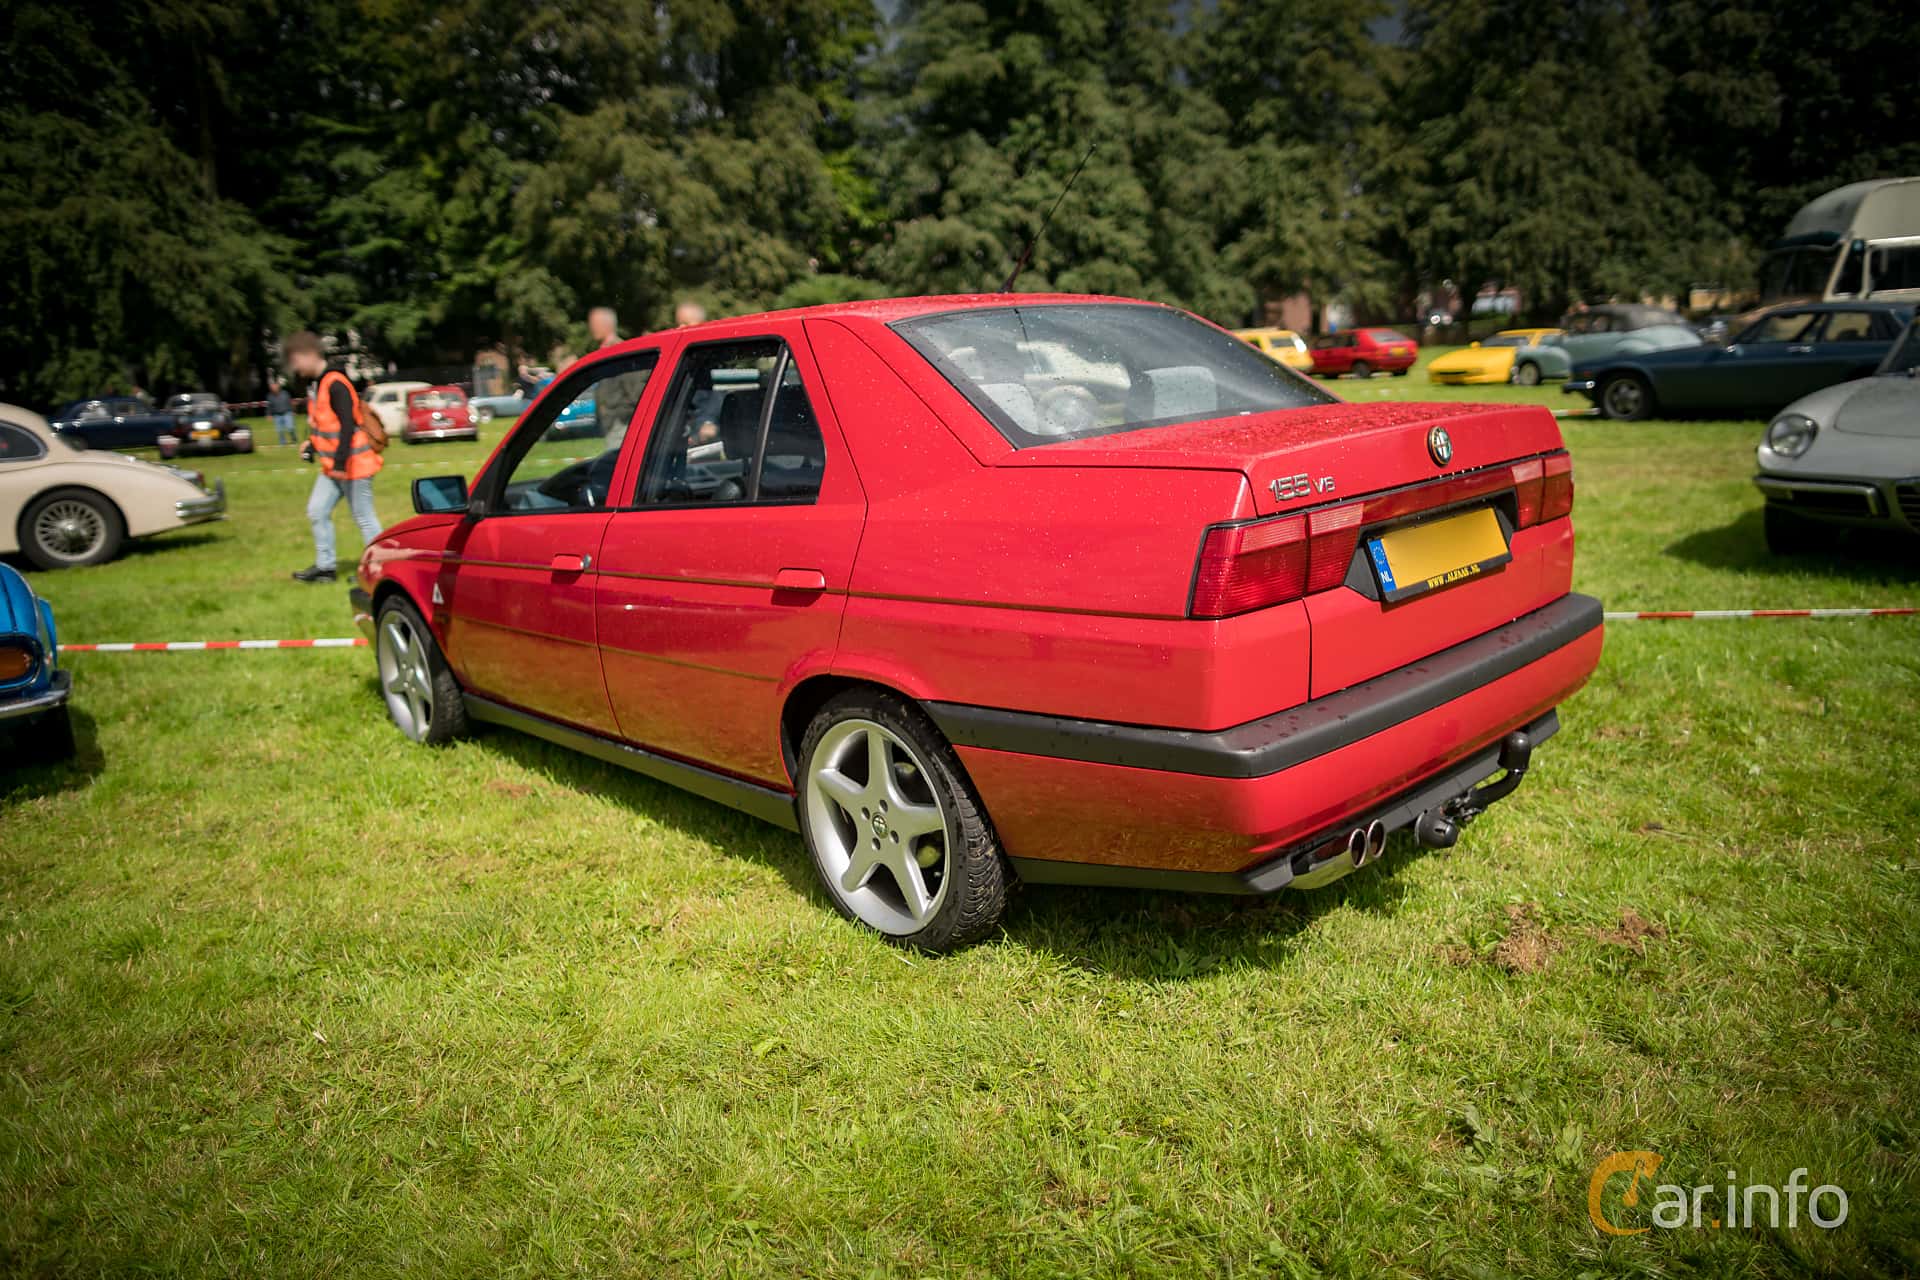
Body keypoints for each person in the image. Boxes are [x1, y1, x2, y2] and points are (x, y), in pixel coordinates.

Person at [283, 331, 382, 584]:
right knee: (317, 510)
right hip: (333, 467)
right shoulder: (319, 383)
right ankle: (326, 569)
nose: (294, 368)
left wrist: (339, 464)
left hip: (353, 465)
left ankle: (380, 569)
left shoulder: (336, 382)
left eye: (295, 362)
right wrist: (312, 445)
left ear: (307, 356)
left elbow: (348, 425)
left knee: (364, 517)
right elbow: (327, 426)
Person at [587, 305, 647, 447]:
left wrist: (622, 416)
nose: (592, 328)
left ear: (607, 324)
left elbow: (635, 391)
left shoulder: (622, 353)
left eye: (594, 324)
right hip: (611, 424)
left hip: (621, 425)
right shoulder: (604, 352)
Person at [265, 378, 296, 445]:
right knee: (279, 430)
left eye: (274, 386)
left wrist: (293, 411)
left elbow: (291, 402)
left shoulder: (285, 393)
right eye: (272, 387)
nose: (273, 388)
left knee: (290, 427)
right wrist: (269, 414)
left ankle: (294, 440)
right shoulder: (270, 396)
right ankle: (282, 443)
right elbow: (269, 407)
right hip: (277, 415)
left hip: (287, 413)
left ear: (278, 386)